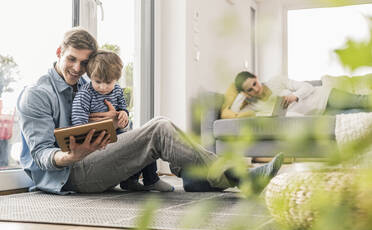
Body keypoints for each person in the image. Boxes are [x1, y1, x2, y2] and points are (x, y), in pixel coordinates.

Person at [17, 27, 284, 195]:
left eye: (84, 62)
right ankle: (241, 178)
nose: (77, 68)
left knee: (159, 124)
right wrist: (69, 155)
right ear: (58, 52)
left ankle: (195, 177)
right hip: (68, 176)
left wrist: (117, 121)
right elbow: (40, 154)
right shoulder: (37, 95)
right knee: (159, 128)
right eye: (71, 59)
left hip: (94, 161)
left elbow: (119, 132)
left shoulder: (88, 87)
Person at [71, 49, 174, 192]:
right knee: (141, 142)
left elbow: (123, 110)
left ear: (116, 79)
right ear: (90, 76)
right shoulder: (84, 95)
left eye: (108, 82)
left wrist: (123, 114)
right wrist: (102, 126)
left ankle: (145, 179)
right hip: (97, 139)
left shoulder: (118, 90)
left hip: (117, 131)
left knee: (144, 142)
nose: (103, 87)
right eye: (98, 81)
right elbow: (78, 126)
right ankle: (140, 180)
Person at [221, 71, 372, 119]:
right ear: (245, 93)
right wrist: (237, 92)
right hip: (322, 113)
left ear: (256, 77)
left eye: (254, 83)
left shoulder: (276, 81)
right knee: (360, 116)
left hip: (325, 96)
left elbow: (308, 87)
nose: (256, 90)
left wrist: (295, 96)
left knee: (363, 102)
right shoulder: (255, 106)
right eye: (250, 90)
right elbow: (234, 115)